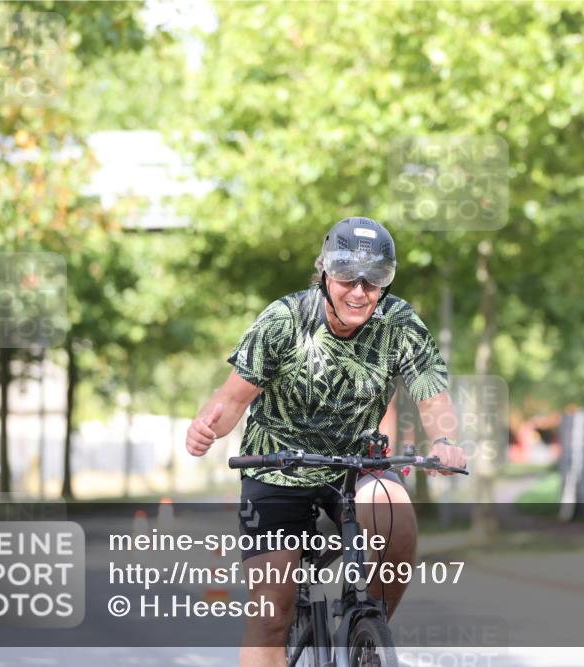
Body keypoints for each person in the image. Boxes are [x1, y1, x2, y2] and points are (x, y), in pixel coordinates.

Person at [185, 216, 466, 667]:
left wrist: (446, 438)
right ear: (325, 272)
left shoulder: (399, 322)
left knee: (398, 521)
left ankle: (366, 630)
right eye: (347, 279)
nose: (359, 292)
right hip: (276, 468)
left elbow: (430, 389)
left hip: (355, 464)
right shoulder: (286, 320)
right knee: (270, 614)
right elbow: (232, 398)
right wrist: (207, 427)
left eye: (373, 282)